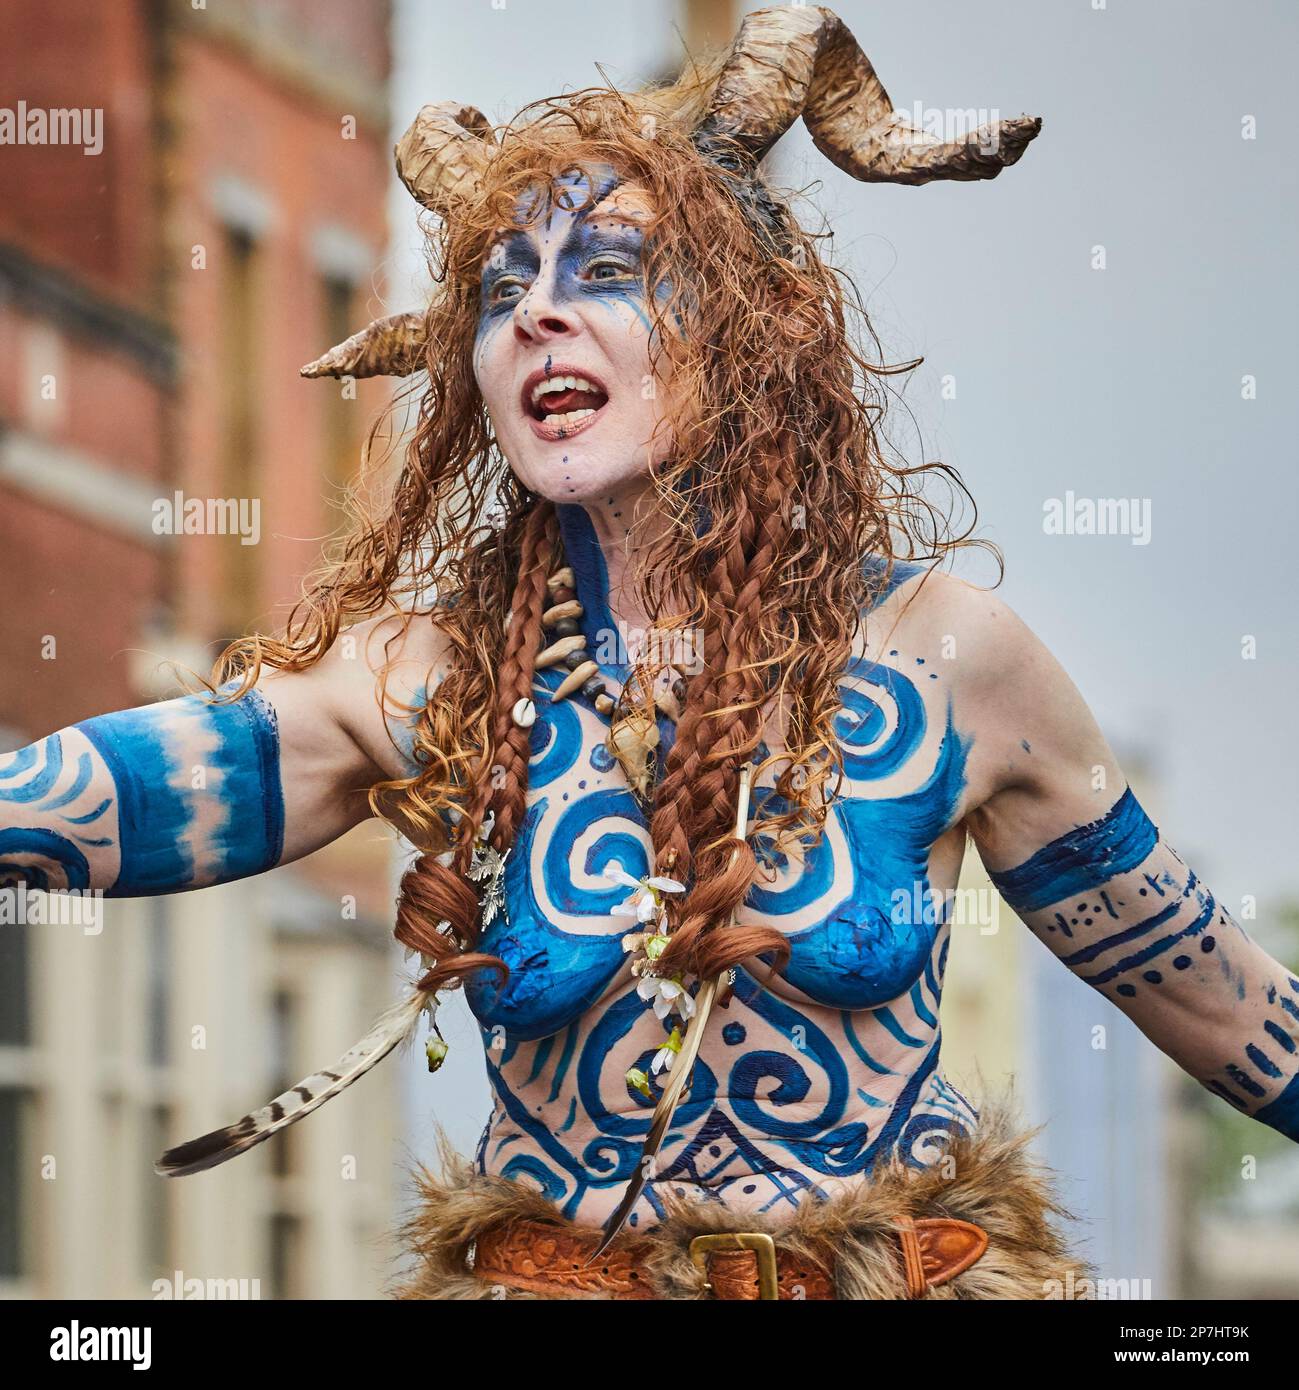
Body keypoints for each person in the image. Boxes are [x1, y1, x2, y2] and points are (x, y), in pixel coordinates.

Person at [3, 7, 1294, 1300]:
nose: (539, 316)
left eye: (607, 270)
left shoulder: (950, 663)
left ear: (760, 322)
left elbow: (1237, 1016)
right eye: (503, 289)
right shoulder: (436, 683)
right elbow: (145, 784)